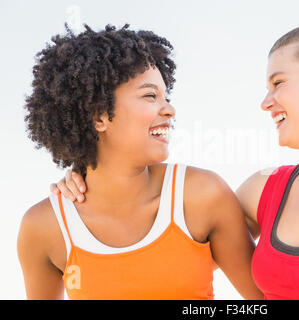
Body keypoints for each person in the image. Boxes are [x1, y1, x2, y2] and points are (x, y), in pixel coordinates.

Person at [53, 22, 299, 300]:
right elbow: (169, 248)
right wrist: (90, 175)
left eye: (278, 83)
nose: (266, 102)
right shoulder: (262, 190)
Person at [18, 24, 263, 300]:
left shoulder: (203, 195)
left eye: (165, 96)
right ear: (99, 117)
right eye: (150, 96)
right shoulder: (42, 227)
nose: (169, 109)